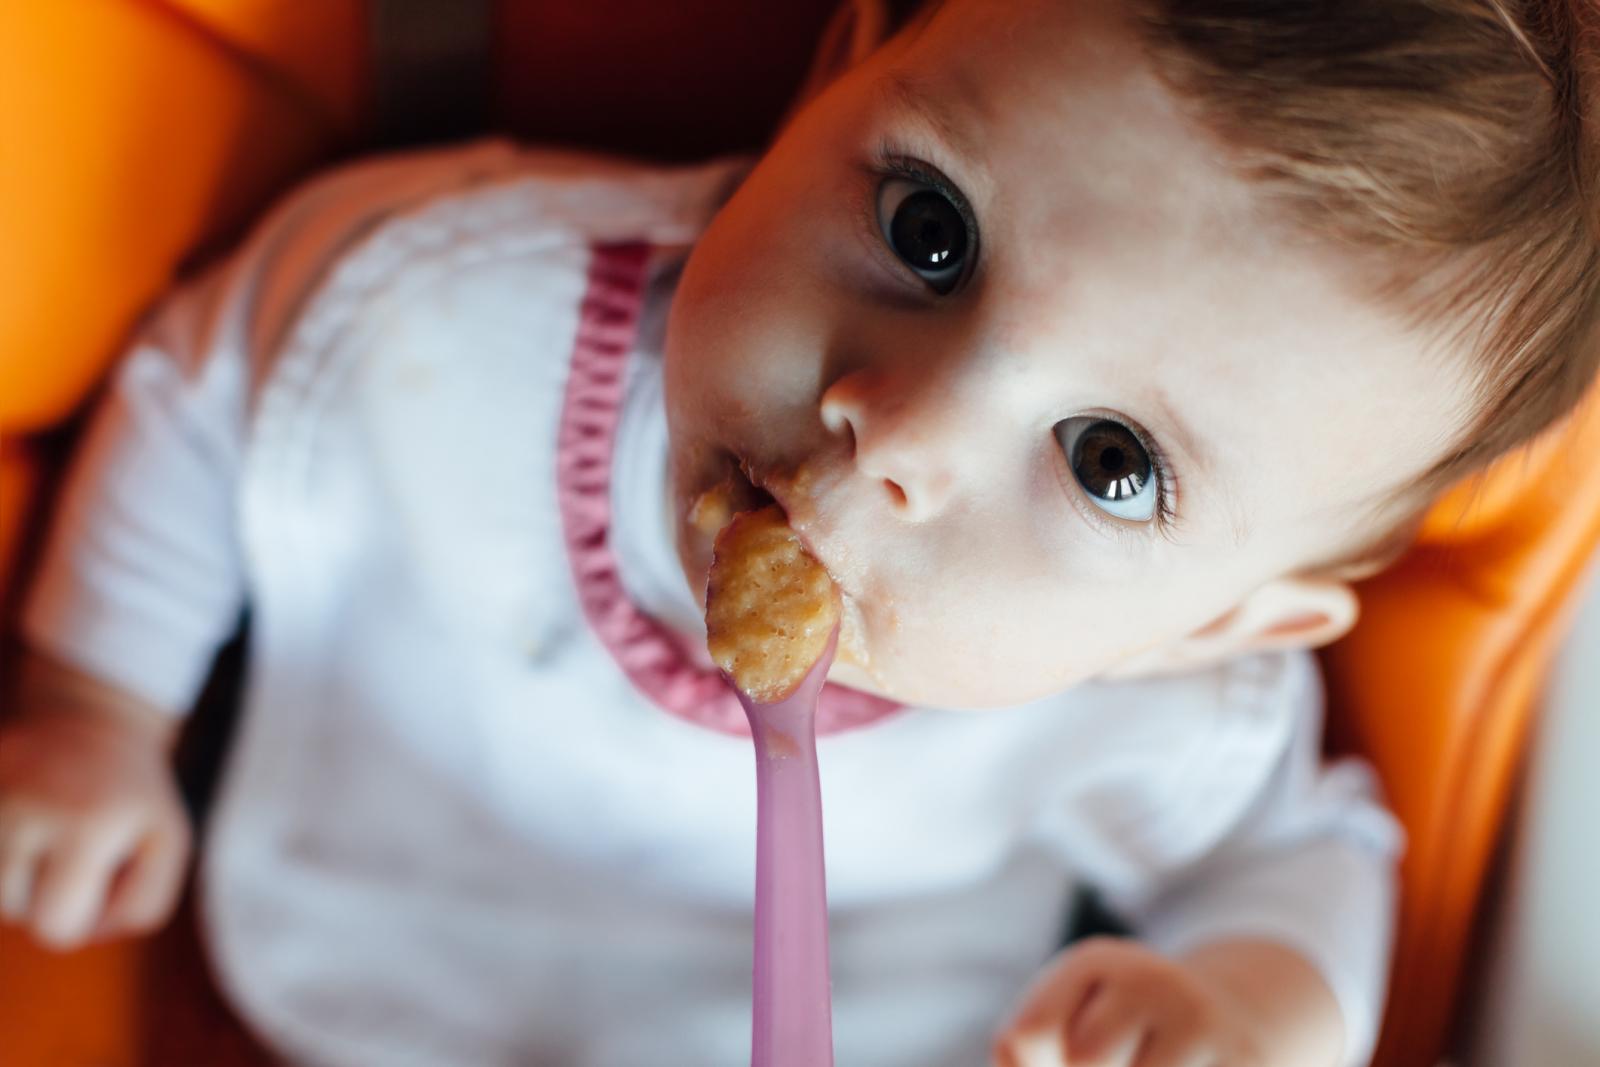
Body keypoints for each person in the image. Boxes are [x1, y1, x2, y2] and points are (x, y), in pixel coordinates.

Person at [2, 1, 1595, 1064]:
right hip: (377, 978)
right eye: (928, 230)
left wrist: (1242, 1008)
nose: (892, 433)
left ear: (1218, 627)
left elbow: (1300, 857)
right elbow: (215, 389)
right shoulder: (449, 304)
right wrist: (95, 705)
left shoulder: (1158, 697)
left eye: (1111, 465)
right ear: (840, 71)